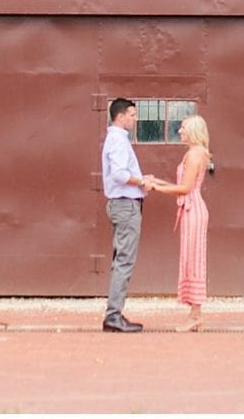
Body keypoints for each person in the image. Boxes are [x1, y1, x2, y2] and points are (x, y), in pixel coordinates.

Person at [148, 113, 212, 332]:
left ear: (193, 131)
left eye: (183, 128)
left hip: (192, 209)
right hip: (191, 208)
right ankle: (196, 314)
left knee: (193, 260)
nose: (179, 131)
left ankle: (195, 315)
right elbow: (185, 185)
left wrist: (157, 188)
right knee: (191, 258)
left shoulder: (194, 155)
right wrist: (159, 182)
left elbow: (185, 189)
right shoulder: (196, 153)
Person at [99, 97, 159, 333]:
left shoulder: (117, 139)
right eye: (133, 115)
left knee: (121, 260)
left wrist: (142, 181)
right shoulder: (117, 140)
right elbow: (120, 174)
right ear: (120, 116)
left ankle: (114, 314)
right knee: (124, 260)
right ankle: (113, 315)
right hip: (126, 206)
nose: (136, 119)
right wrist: (142, 181)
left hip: (123, 204)